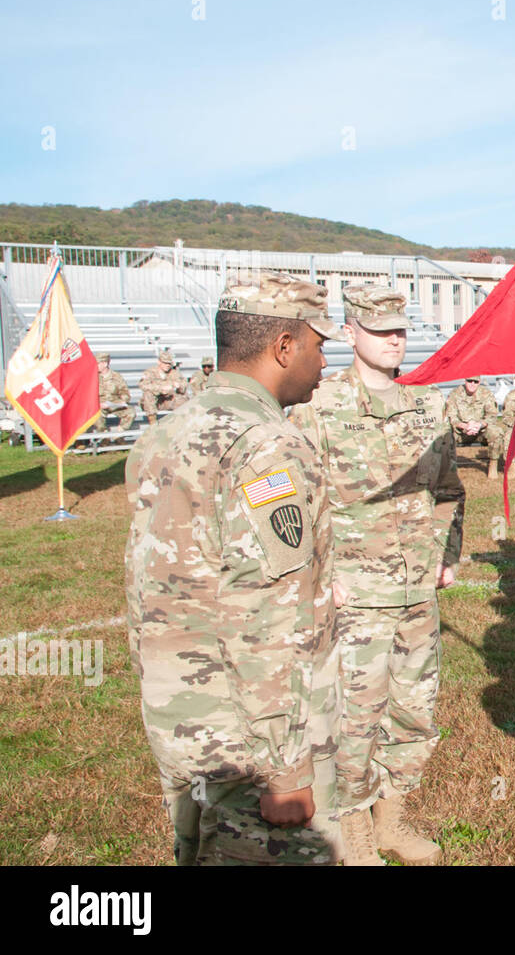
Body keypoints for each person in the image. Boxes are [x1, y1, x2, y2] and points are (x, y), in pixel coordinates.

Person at [124, 270, 345, 865]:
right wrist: (286, 766)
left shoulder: (166, 433)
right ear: (283, 347)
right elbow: (270, 613)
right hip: (252, 740)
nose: (325, 361)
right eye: (318, 344)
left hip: (185, 719)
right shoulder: (265, 444)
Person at [290, 284, 465, 867]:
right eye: (380, 329)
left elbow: (448, 491)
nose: (394, 339)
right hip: (354, 594)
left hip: (416, 589)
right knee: (353, 715)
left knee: (414, 707)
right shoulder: (316, 409)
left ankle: (393, 821)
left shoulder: (428, 406)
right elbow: (295, 501)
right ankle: (355, 835)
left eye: (401, 329)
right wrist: (321, 573)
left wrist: (446, 553)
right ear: (350, 333)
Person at [445, 375, 508, 479]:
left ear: (479, 382)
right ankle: (447, 469)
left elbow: (491, 416)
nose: (472, 384)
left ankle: (493, 464)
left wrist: (479, 425)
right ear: (465, 381)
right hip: (460, 431)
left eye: (475, 381)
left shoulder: (486, 394)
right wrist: (464, 426)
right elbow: (451, 416)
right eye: (469, 381)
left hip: (480, 431)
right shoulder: (454, 394)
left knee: (496, 432)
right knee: (444, 435)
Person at [138, 349, 190, 426]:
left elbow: (184, 384)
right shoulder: (150, 372)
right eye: (165, 363)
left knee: (182, 397)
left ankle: (181, 423)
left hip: (168, 401)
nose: (167, 365)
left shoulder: (174, 373)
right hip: (155, 402)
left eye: (169, 363)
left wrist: (178, 385)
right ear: (159, 362)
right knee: (148, 394)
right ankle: (153, 423)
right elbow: (143, 385)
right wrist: (161, 388)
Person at [91, 352, 135, 435]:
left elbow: (125, 393)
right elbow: (88, 395)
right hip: (99, 405)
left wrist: (118, 403)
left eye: (97, 364)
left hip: (115, 404)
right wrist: (97, 404)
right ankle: (105, 436)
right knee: (96, 416)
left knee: (131, 412)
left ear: (105, 364)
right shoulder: (92, 377)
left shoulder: (116, 376)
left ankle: (118, 436)